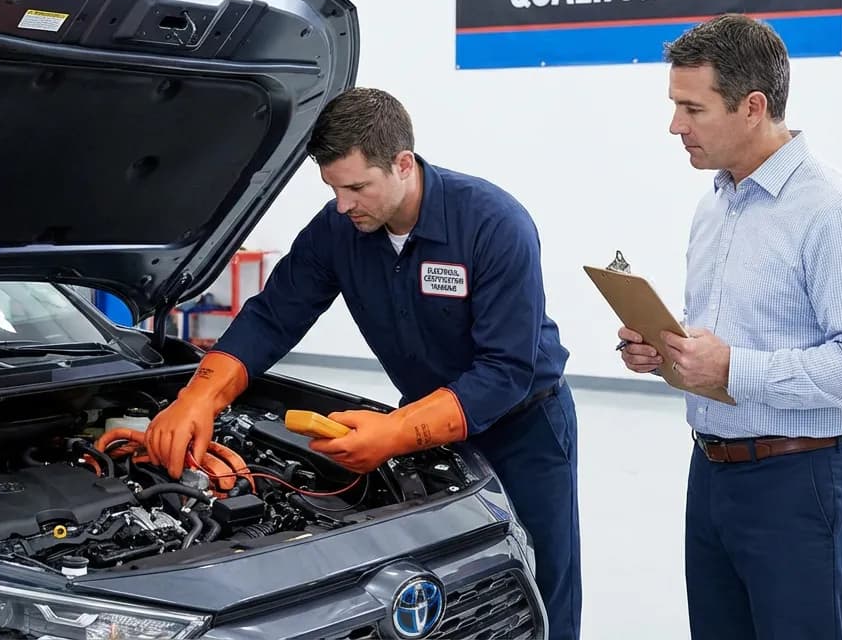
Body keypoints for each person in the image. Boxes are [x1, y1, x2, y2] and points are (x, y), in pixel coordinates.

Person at [144, 87, 582, 639]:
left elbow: (505, 371)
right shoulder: (339, 230)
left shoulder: (492, 224)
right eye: (333, 188)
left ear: (403, 164)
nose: (343, 205)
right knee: (440, 586)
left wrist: (394, 432)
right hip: (425, 418)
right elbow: (273, 316)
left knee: (541, 573)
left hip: (525, 428)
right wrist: (198, 397)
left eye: (356, 188)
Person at [617, 13, 842, 640]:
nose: (675, 126)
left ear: (752, 107)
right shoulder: (714, 206)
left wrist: (731, 367)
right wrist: (666, 352)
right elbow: (731, 334)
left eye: (692, 108)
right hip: (711, 474)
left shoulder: (838, 212)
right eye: (674, 106)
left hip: (801, 484)